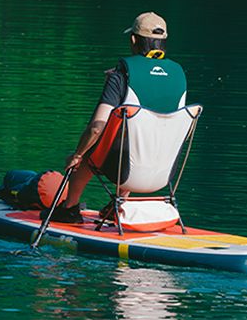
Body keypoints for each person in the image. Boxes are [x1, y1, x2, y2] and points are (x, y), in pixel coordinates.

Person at [48, 12, 188, 224]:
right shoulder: (179, 75)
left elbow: (97, 127)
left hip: (127, 171)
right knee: (136, 139)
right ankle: (119, 204)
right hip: (163, 173)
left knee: (87, 153)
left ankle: (69, 208)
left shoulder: (120, 76)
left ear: (133, 40)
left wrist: (77, 154)